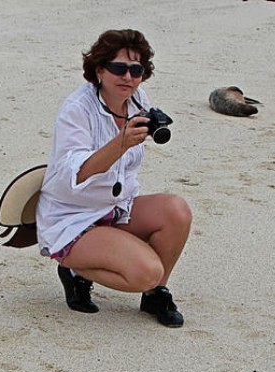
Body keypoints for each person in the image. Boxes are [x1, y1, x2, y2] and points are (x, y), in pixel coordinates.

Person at [36, 29, 191, 327]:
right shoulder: (77, 110)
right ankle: (73, 269)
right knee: (147, 271)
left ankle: (155, 294)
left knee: (177, 211)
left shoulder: (136, 100)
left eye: (136, 70)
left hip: (114, 206)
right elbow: (76, 173)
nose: (128, 77)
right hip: (73, 217)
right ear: (99, 70)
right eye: (119, 68)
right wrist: (120, 143)